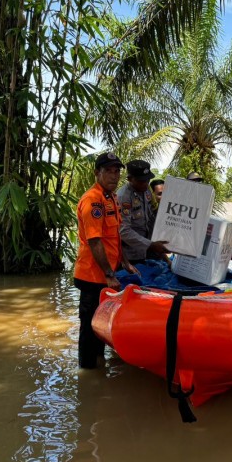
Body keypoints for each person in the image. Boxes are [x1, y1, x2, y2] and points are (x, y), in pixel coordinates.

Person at [73, 152, 139, 369]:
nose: (114, 176)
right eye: (108, 171)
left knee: (100, 325)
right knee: (89, 327)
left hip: (107, 274)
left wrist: (125, 262)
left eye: (117, 171)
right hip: (93, 276)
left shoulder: (111, 198)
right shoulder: (93, 201)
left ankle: (99, 364)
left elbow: (115, 236)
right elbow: (95, 241)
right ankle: (87, 371)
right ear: (97, 173)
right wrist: (109, 275)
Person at [118, 160, 170, 264]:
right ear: (130, 179)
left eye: (147, 180)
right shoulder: (124, 197)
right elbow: (123, 231)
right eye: (141, 181)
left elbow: (151, 220)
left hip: (146, 252)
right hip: (129, 257)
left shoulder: (146, 190)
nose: (145, 184)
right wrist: (150, 245)